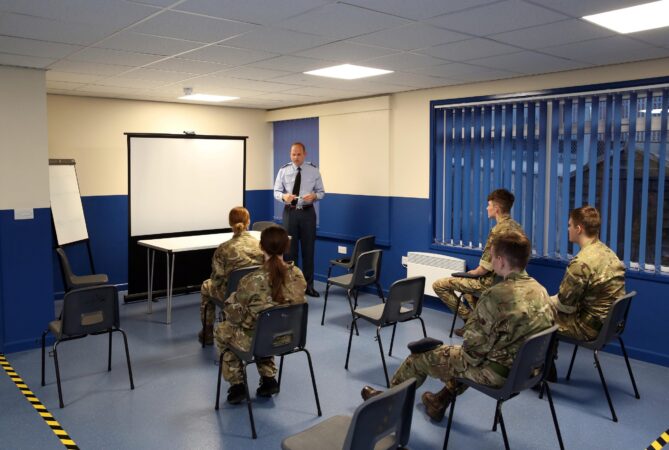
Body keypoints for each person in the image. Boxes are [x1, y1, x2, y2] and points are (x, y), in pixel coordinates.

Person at [361, 231, 555, 422]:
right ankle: (439, 401)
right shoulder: (541, 290)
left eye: (492, 257)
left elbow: (471, 352)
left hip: (498, 376)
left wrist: (439, 350)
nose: (491, 262)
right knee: (475, 356)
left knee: (420, 357)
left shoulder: (495, 295)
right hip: (526, 373)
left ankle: (385, 404)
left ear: (502, 261)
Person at [214, 225, 307, 404]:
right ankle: (269, 379)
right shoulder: (298, 275)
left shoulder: (251, 280)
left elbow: (236, 316)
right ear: (286, 247)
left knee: (224, 330)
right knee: (267, 324)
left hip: (258, 341)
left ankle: (237, 385)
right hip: (290, 338)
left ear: (261, 247)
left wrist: (232, 301)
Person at [433, 188, 525, 336]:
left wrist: (469, 273)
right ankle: (480, 325)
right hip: (511, 282)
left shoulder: (497, 231)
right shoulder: (518, 228)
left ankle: (470, 321)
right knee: (468, 293)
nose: (486, 208)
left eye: (489, 205)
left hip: (491, 284)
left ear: (496, 209)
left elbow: (483, 269)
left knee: (439, 285)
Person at [551, 206, 625, 341]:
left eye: (570, 225)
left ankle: (544, 362)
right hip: (610, 325)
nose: (568, 229)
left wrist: (541, 300)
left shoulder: (581, 263)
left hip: (589, 328)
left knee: (536, 316)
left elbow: (565, 306)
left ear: (578, 229)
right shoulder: (609, 253)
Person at [198, 207, 264, 345]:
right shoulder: (261, 245)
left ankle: (208, 333)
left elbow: (217, 279)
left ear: (230, 223)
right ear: (249, 222)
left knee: (206, 285)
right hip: (256, 294)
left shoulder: (224, 248)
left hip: (231, 296)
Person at [273, 141, 325, 297]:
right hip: (290, 213)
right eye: (293, 154)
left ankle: (308, 286)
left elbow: (322, 192)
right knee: (290, 252)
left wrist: (314, 196)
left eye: (299, 154)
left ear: (305, 154)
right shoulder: (283, 170)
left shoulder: (313, 170)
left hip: (308, 213)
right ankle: (291, 287)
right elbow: (276, 191)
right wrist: (284, 196)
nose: (296, 157)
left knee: (308, 252)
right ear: (290, 154)